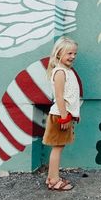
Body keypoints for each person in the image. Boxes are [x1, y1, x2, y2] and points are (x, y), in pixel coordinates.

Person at [43, 36, 81, 191]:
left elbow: (69, 95)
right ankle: (53, 180)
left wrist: (72, 114)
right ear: (58, 54)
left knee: (59, 147)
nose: (72, 57)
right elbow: (59, 97)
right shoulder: (60, 72)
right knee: (57, 148)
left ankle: (52, 177)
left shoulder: (67, 71)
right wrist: (65, 117)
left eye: (74, 54)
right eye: (69, 53)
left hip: (64, 115)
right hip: (60, 116)